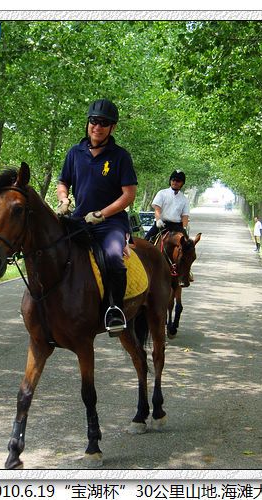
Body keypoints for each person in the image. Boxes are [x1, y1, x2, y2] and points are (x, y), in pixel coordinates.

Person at [56, 98, 137, 335]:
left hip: (110, 223)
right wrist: (64, 199)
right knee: (50, 248)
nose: (97, 126)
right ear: (88, 122)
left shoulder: (121, 156)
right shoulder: (75, 152)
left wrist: (103, 213)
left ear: (112, 127)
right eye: (93, 121)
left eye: (103, 123)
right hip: (79, 220)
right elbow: (63, 182)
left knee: (113, 257)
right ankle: (44, 304)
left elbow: (129, 194)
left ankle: (114, 309)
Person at [143, 169, 190, 243]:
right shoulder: (162, 193)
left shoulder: (184, 199)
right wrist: (158, 220)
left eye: (178, 181)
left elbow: (185, 216)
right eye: (173, 180)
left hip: (177, 226)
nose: (175, 182)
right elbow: (157, 208)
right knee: (145, 241)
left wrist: (184, 228)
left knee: (188, 245)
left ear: (182, 183)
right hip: (161, 224)